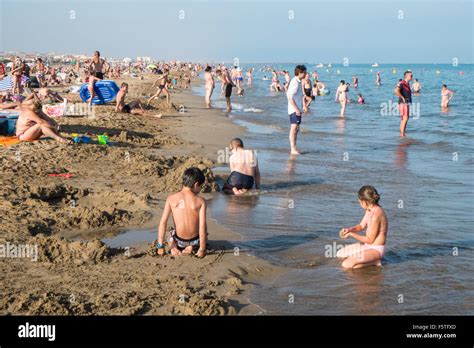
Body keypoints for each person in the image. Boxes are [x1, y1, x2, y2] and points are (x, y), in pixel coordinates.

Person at [156, 167, 207, 258]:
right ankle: (191, 246)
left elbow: (163, 222)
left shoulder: (171, 199)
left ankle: (173, 246)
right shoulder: (201, 201)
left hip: (180, 241)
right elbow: (202, 227)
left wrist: (160, 246)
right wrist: (202, 249)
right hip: (196, 241)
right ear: (196, 185)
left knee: (170, 234)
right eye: (201, 187)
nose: (200, 190)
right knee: (205, 234)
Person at [337, 185, 388, 269]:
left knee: (346, 265)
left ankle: (374, 261)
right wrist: (350, 229)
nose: (359, 203)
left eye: (360, 201)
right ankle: (367, 260)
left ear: (364, 202)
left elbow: (370, 240)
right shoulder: (369, 210)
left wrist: (352, 234)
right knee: (340, 255)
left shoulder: (376, 215)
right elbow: (361, 226)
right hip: (366, 245)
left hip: (376, 250)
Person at [287, 65, 306, 155]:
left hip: (297, 109)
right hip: (294, 110)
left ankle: (294, 148)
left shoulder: (298, 81)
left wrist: (302, 107)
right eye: (304, 72)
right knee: (294, 128)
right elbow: (289, 97)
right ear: (300, 73)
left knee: (296, 129)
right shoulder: (295, 82)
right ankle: (293, 149)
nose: (306, 74)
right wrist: (297, 109)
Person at [395, 71, 412, 137]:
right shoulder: (402, 83)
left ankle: (402, 133)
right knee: (405, 118)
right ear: (407, 76)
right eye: (411, 75)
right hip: (403, 103)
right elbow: (396, 91)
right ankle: (402, 134)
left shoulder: (407, 83)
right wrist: (403, 98)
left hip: (406, 103)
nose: (412, 77)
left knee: (404, 118)